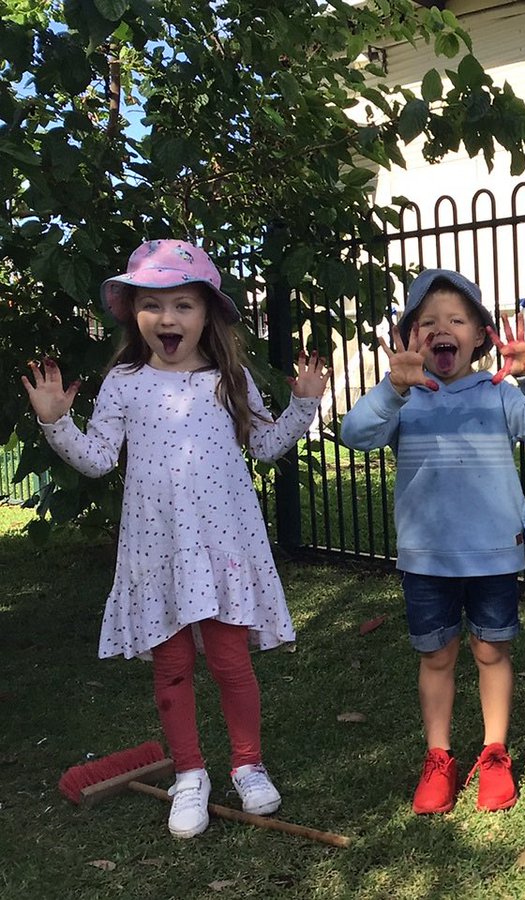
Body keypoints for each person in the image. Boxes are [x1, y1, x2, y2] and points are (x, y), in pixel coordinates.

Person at [22, 239, 329, 839]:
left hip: (222, 547)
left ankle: (247, 763)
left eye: (184, 305)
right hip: (157, 550)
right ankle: (189, 773)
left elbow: (265, 445)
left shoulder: (230, 377)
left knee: (231, 661)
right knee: (171, 666)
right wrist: (56, 421)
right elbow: (97, 460)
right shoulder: (124, 383)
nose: (169, 319)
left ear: (207, 314)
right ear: (133, 313)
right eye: (154, 305)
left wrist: (302, 407)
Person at [339, 268, 525, 815]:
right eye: (429, 322)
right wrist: (392, 388)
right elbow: (354, 435)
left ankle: (494, 754)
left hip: (492, 552)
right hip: (426, 557)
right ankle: (438, 757)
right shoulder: (404, 398)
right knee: (437, 657)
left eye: (457, 320)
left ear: (481, 336)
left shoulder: (498, 395)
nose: (443, 329)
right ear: (411, 337)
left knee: (492, 650)